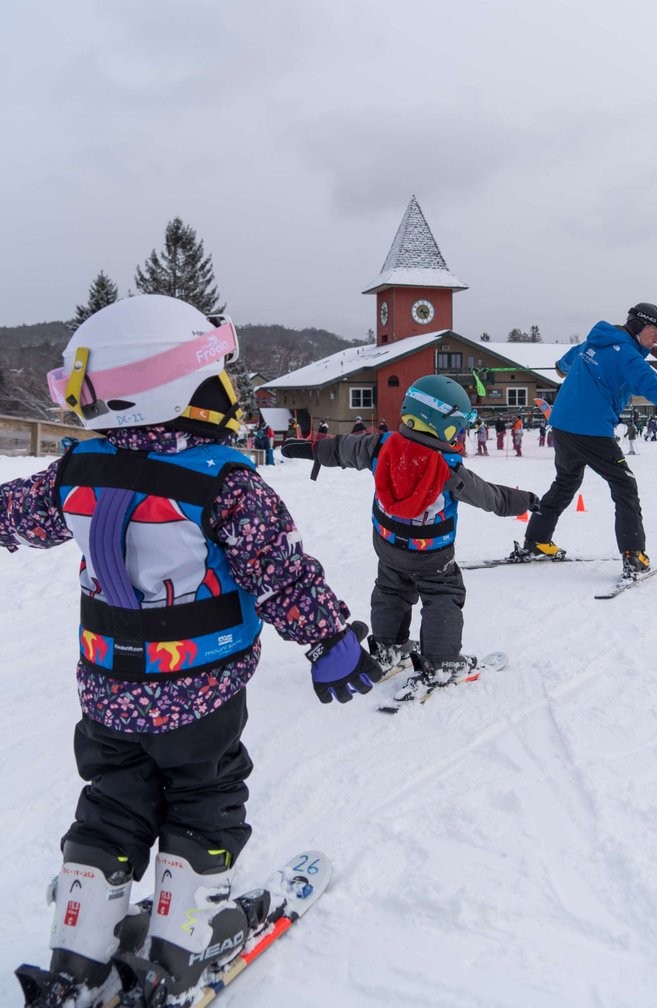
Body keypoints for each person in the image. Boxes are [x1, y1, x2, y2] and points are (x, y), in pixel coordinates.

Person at [1, 295, 381, 1004]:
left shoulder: (76, 473)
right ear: (177, 391)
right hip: (199, 695)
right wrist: (331, 642)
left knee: (112, 804)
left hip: (108, 692)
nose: (226, 396)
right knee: (204, 802)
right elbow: (282, 575)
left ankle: (78, 952)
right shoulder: (226, 485)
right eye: (216, 382)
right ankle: (186, 940)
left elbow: (11, 515)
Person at [282, 375, 538, 698]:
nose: (460, 436)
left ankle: (389, 646)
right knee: (443, 595)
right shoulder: (448, 469)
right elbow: (492, 498)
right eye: (458, 428)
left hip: (388, 546)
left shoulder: (380, 445)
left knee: (391, 589)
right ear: (444, 427)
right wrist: (526, 500)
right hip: (432, 556)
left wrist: (312, 450)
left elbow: (344, 449)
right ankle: (440, 662)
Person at [512, 303, 657, 578]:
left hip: (563, 425)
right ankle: (633, 556)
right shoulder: (628, 357)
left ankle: (537, 541)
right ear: (639, 327)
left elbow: (568, 360)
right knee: (625, 487)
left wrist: (561, 367)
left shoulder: (596, 339)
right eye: (654, 331)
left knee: (565, 483)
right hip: (591, 429)